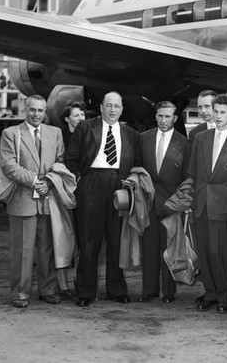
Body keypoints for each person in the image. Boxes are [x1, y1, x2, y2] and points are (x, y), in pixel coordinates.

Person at [66, 91, 139, 307]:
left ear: (122, 109)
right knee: (89, 241)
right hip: (91, 185)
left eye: (117, 106)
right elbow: (71, 158)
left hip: (119, 185)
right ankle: (85, 292)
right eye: (109, 105)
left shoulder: (131, 134)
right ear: (101, 108)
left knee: (116, 241)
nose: (113, 110)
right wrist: (80, 181)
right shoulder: (85, 127)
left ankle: (117, 290)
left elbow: (136, 162)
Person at [0, 95, 66, 308]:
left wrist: (50, 182)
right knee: (22, 250)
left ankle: (48, 290)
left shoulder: (55, 133)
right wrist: (36, 180)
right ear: (25, 110)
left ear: (45, 111)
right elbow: (8, 165)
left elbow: (60, 162)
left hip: (48, 199)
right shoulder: (11, 133)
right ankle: (20, 294)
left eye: (40, 110)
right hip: (22, 200)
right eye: (32, 110)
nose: (36, 114)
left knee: (47, 248)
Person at [188, 94, 227, 314]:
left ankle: (224, 295)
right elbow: (193, 172)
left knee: (221, 252)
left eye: (223, 112)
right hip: (202, 203)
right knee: (204, 251)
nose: (218, 116)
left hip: (226, 205)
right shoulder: (201, 138)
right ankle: (210, 293)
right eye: (216, 111)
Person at [138, 101, 191, 303]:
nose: (163, 120)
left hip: (171, 202)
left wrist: (180, 202)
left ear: (175, 118)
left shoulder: (184, 143)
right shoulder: (143, 138)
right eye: (160, 115)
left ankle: (169, 292)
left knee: (170, 248)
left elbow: (188, 175)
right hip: (149, 200)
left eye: (167, 116)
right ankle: (149, 290)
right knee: (149, 247)